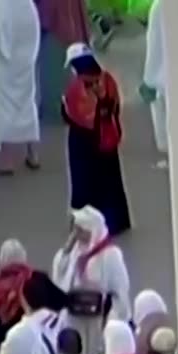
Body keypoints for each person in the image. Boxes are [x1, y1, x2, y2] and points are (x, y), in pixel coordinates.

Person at [61, 45, 130, 235]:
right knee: (111, 180)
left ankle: (85, 224)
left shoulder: (77, 86)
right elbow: (116, 106)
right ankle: (116, 221)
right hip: (108, 137)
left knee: (83, 181)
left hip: (83, 142)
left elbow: (71, 114)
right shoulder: (107, 79)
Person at [50, 207, 130, 354]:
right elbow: (60, 274)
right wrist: (67, 248)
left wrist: (112, 320)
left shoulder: (110, 255)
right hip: (74, 315)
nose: (76, 234)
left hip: (96, 320)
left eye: (80, 230)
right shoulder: (76, 250)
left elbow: (120, 291)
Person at [0, 0, 39, 173]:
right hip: (25, 63)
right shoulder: (28, 4)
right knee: (27, 105)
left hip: (3, 66)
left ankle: (4, 162)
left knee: (1, 111)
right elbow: (35, 33)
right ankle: (32, 154)